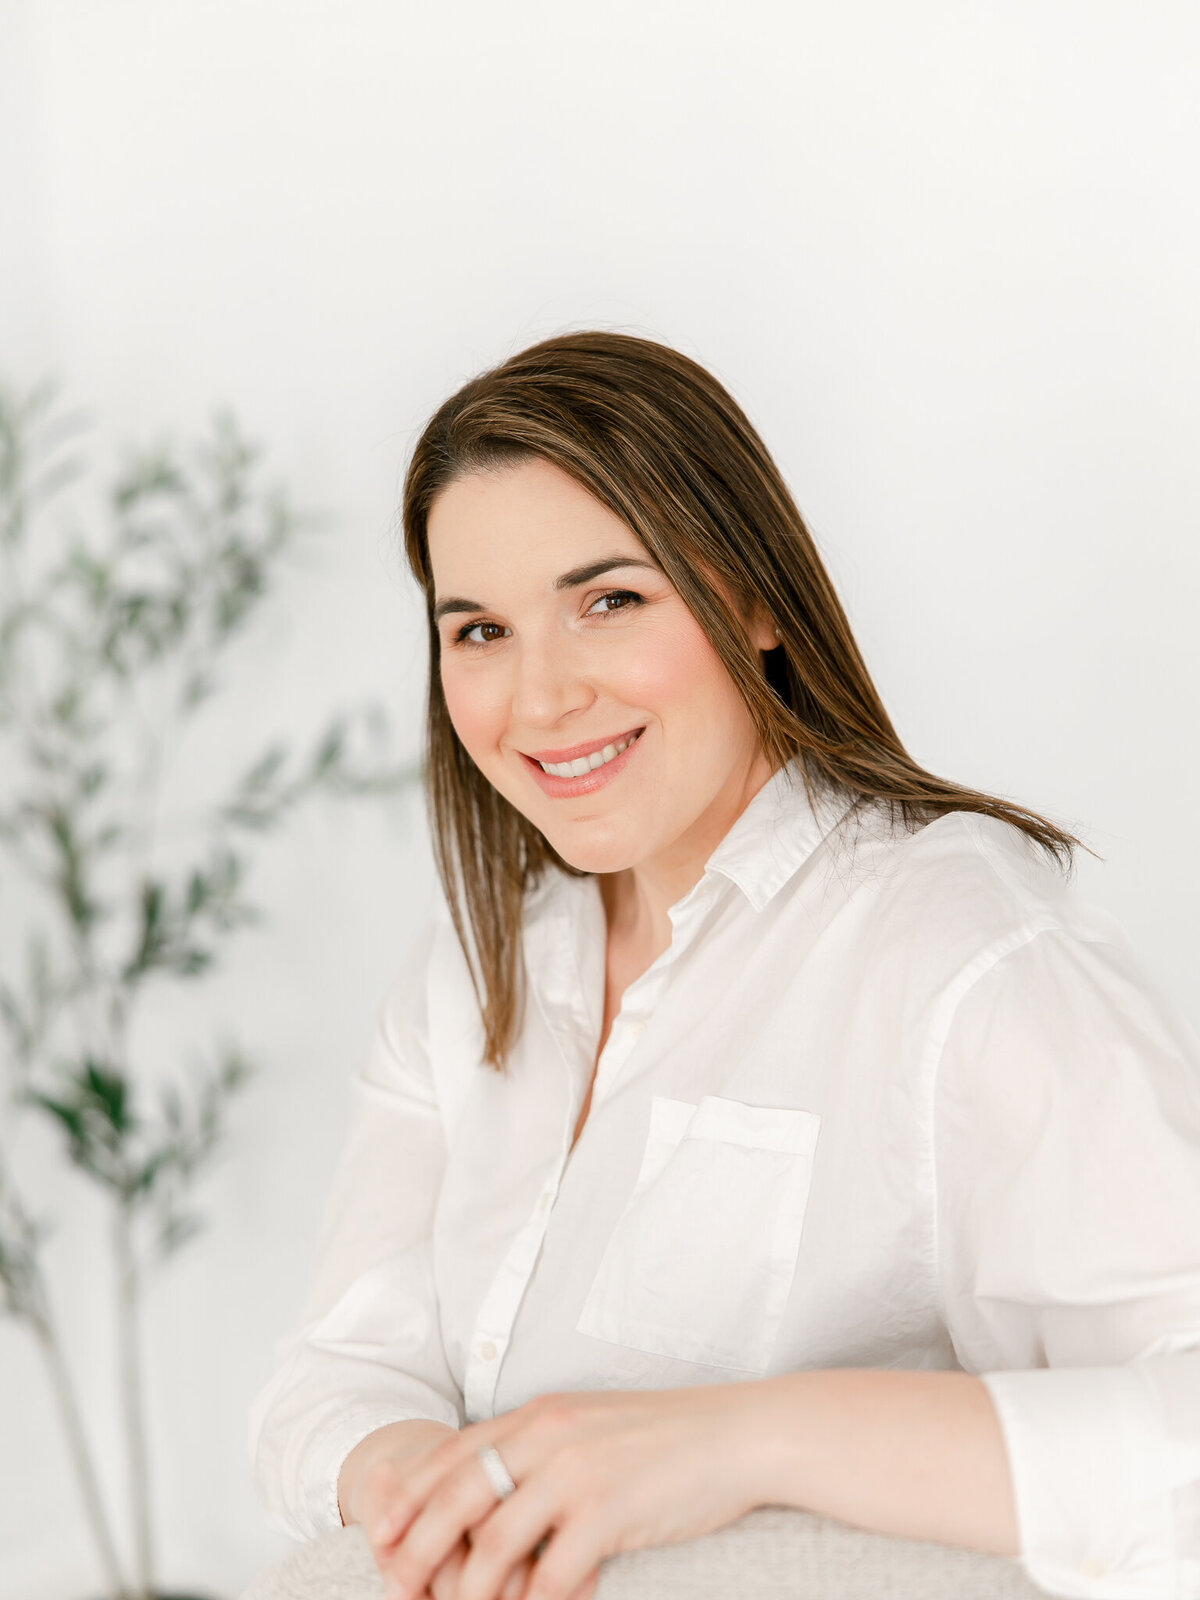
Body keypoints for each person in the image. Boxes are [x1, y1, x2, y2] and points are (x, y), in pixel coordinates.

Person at [249, 331, 1200, 1600]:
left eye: (609, 601)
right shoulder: (474, 977)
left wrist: (737, 1441)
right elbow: (334, 1375)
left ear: (753, 599)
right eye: (478, 629)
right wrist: (432, 1490)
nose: (538, 701)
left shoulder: (956, 942)